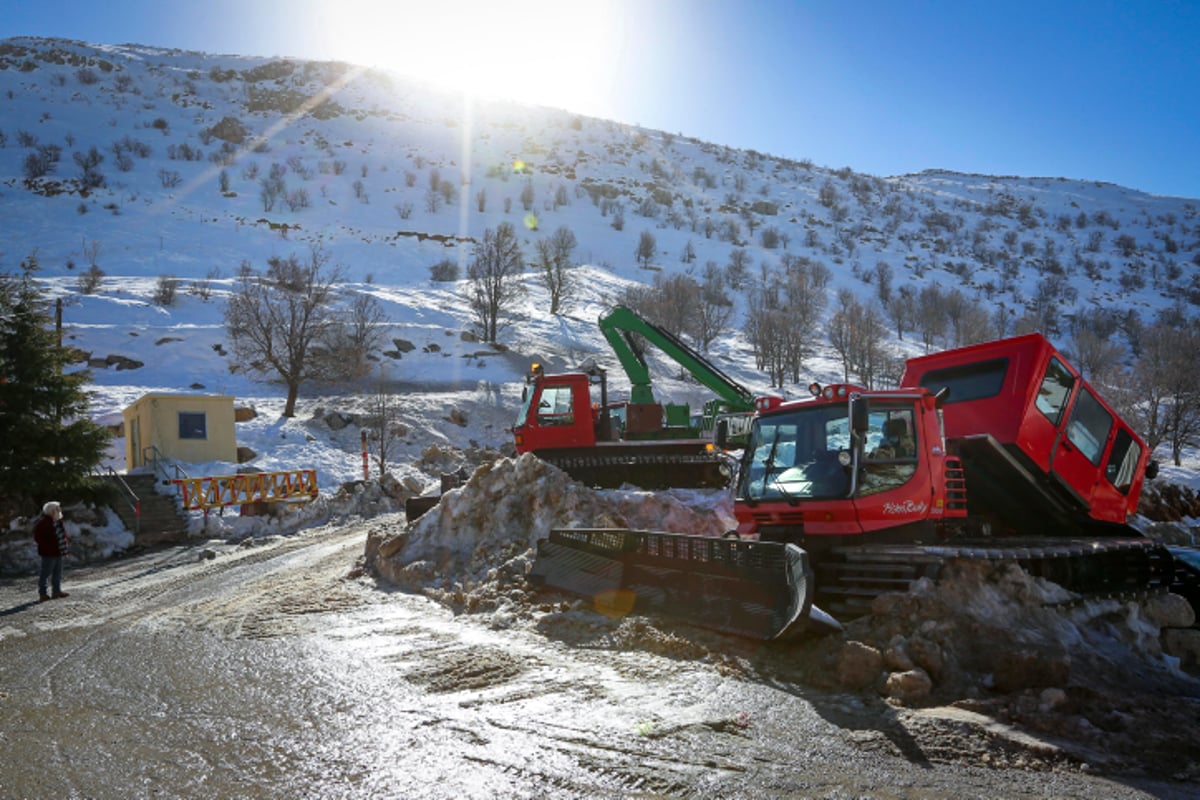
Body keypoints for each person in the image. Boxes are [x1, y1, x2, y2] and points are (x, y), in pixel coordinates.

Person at [33, 501, 70, 601]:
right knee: (45, 574)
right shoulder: (43, 523)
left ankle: (56, 591)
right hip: (49, 553)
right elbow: (38, 538)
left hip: (58, 552)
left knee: (57, 573)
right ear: (51, 511)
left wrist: (64, 550)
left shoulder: (58, 521)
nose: (60, 511)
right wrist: (49, 547)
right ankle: (43, 594)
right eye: (57, 509)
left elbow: (63, 536)